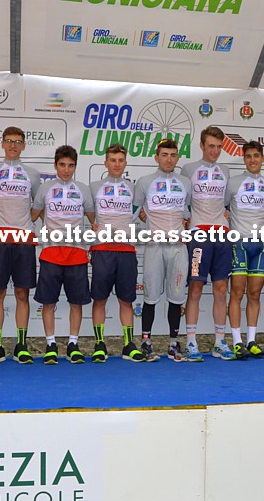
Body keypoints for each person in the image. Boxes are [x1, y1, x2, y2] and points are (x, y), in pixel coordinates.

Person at [32, 145, 95, 365]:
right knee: (48, 303)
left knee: (76, 303)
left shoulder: (83, 189)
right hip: (50, 253)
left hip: (76, 253)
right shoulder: (45, 188)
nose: (66, 170)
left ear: (75, 166)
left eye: (70, 166)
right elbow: (33, 214)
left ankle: (73, 344)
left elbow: (94, 219)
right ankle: (50, 344)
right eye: (62, 165)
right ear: (55, 165)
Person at [0, 126, 41, 365]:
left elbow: (39, 206)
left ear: (24, 145)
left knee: (22, 294)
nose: (13, 145)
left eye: (18, 141)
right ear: (2, 144)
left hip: (24, 240)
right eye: (9, 141)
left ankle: (21, 345)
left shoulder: (33, 174)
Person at [134, 139, 192, 362]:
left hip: (178, 247)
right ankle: (146, 342)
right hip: (154, 246)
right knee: (150, 297)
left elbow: (187, 213)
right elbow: (134, 211)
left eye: (173, 155)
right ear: (156, 157)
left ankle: (173, 343)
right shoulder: (145, 182)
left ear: (177, 157)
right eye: (165, 155)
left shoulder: (185, 182)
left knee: (176, 298)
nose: (169, 159)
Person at [89, 143, 145, 362]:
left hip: (127, 250)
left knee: (126, 300)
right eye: (112, 160)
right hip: (102, 250)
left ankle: (128, 345)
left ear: (125, 163)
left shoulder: (134, 188)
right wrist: (94, 223)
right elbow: (87, 211)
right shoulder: (94, 186)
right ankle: (99, 344)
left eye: (120, 160)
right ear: (106, 162)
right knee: (100, 299)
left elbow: (140, 212)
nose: (116, 164)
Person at [180, 126, 230, 362]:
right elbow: (181, 200)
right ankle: (191, 342)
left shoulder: (226, 170)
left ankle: (219, 342)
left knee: (221, 290)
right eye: (211, 146)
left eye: (219, 147)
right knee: (196, 288)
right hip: (199, 233)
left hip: (222, 234)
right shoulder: (189, 169)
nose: (215, 151)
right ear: (201, 145)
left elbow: (228, 203)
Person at [225, 140, 264, 360]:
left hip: (260, 246)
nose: (253, 160)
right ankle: (236, 342)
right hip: (239, 243)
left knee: (254, 294)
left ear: (263, 158)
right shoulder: (233, 183)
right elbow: (223, 207)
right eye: (248, 156)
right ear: (244, 159)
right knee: (237, 293)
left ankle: (251, 340)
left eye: (256, 156)